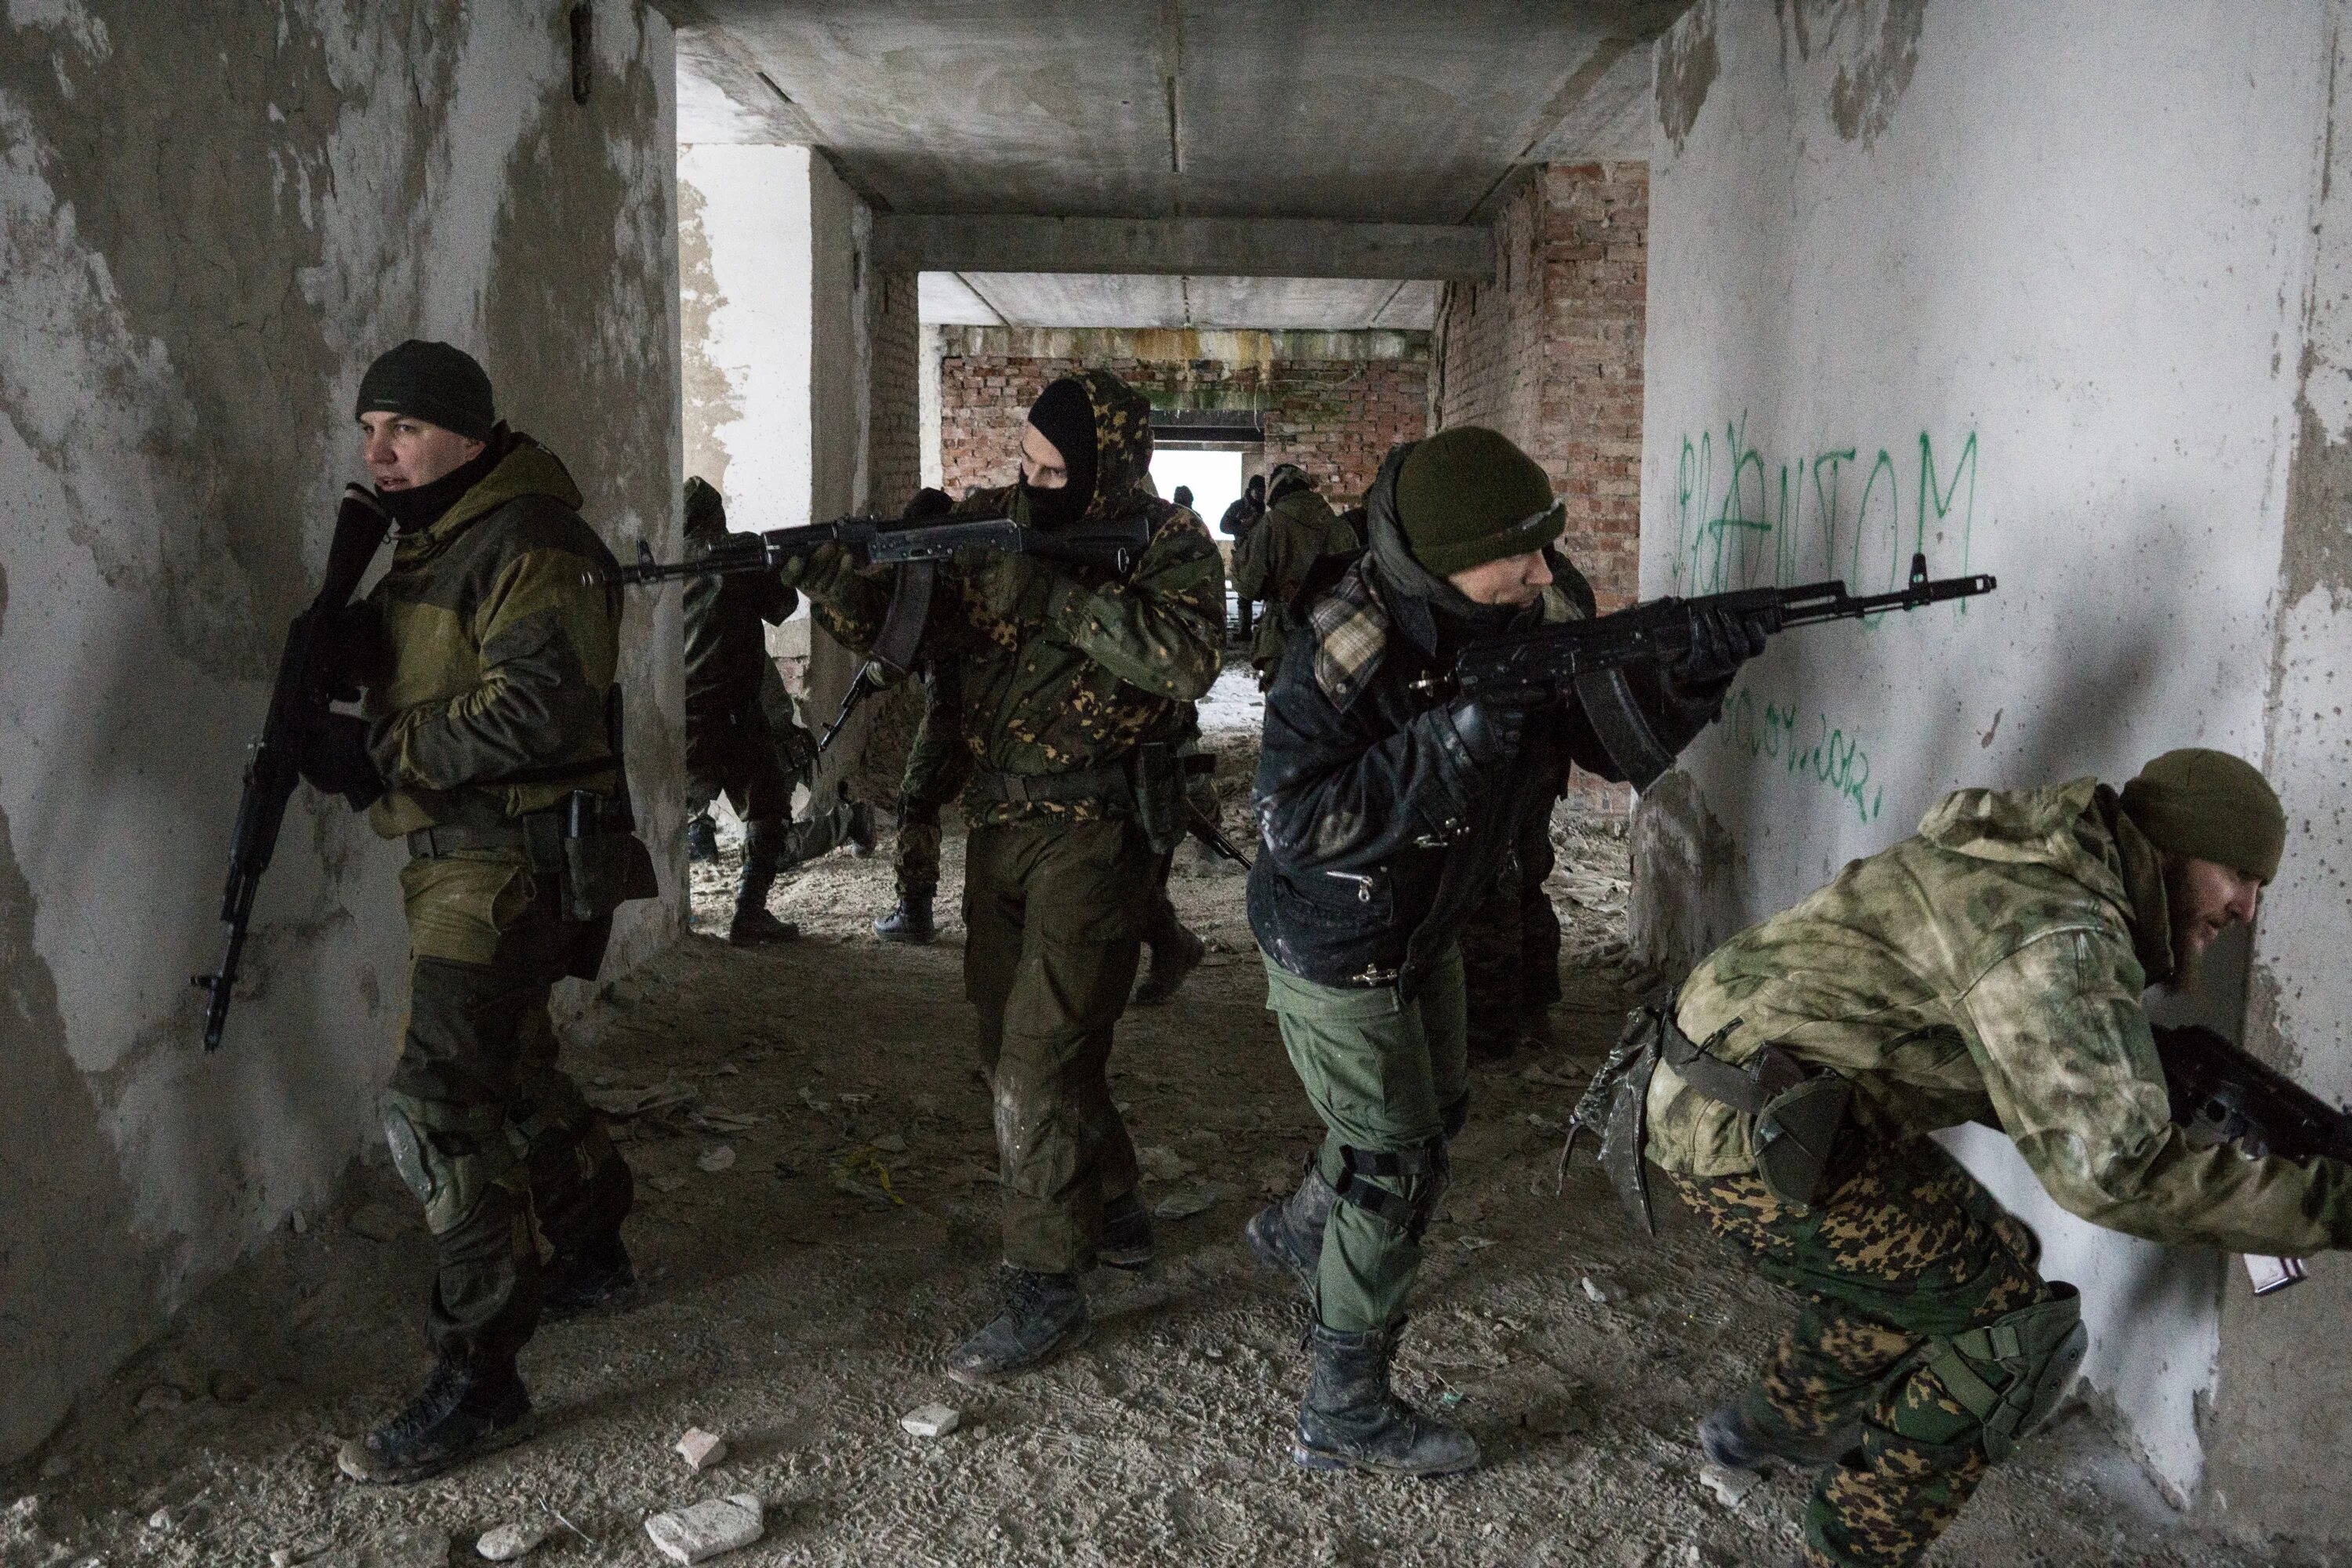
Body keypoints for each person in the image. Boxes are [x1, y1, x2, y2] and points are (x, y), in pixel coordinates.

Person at [1599, 749, 2342, 1568]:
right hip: (1740, 1139)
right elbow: (2115, 1176)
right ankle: (1851, 1549)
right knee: (2021, 1325)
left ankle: (1773, 1423)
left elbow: (2010, 1056)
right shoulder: (2059, 926)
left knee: (1972, 1260)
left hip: (1744, 1098)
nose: (2247, 905)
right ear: (2172, 845)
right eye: (2239, 872)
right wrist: (2331, 1202)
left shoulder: (2043, 862)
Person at [1242, 426, 1748, 1477]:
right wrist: (1452, 741)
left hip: (1434, 920)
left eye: (1545, 542)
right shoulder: (1347, 638)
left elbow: (1608, 747)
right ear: (1437, 560)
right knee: (1396, 1160)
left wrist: (1693, 677)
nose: (1541, 569)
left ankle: (1300, 1232)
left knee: (1436, 1108)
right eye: (1513, 553)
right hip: (1339, 937)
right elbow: (1297, 822)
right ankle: (1344, 1408)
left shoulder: (1541, 604)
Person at [786, 370, 1224, 1384]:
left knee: (1039, 1061)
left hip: (1100, 829)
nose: (1033, 488)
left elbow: (1189, 660)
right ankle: (1109, 1198)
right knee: (1006, 1044)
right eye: (1024, 465)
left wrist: (1057, 601)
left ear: (1113, 469)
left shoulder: (1169, 548)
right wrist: (829, 575)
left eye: (1056, 472)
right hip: (999, 822)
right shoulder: (989, 525)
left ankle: (1044, 1280)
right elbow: (907, 633)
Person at [293, 341, 651, 1484]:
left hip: (512, 863)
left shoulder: (531, 540)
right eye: (367, 430)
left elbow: (539, 711)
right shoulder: (437, 537)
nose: (378, 452)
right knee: (513, 1063)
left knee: (438, 1103)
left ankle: (481, 1374)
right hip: (464, 855)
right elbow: (452, 670)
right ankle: (593, 1235)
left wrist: (379, 747)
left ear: (469, 430)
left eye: (401, 428)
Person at [681, 477, 873, 945]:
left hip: (683, 713)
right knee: (768, 807)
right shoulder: (739, 554)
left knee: (680, 807)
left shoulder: (670, 564)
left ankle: (691, 875)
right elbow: (783, 605)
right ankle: (749, 913)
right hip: (736, 713)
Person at [875, 486, 964, 944]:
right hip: (1001, 702)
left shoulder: (933, 575)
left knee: (918, 798)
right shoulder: (973, 566)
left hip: (955, 705)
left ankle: (914, 912)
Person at [1232, 463, 1359, 688]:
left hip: (1283, 638)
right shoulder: (1339, 526)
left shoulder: (1271, 523)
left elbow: (1247, 584)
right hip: (1335, 633)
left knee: (1283, 708)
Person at [1220, 472, 1267, 640]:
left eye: (1263, 491)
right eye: (1258, 492)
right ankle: (1245, 631)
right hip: (1244, 555)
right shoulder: (1238, 507)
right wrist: (1243, 526)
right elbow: (1224, 526)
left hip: (1263, 554)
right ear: (1251, 490)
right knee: (1244, 593)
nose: (1261, 495)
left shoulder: (1266, 507)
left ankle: (1264, 628)